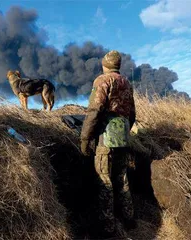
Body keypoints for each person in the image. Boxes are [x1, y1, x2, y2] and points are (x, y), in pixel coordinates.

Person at [80, 50, 136, 237]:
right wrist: (124, 132)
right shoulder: (126, 83)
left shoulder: (102, 80)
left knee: (104, 181)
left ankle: (107, 228)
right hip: (123, 137)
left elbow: (94, 110)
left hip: (106, 138)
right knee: (121, 178)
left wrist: (85, 138)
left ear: (105, 64)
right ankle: (129, 219)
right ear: (118, 65)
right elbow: (132, 114)